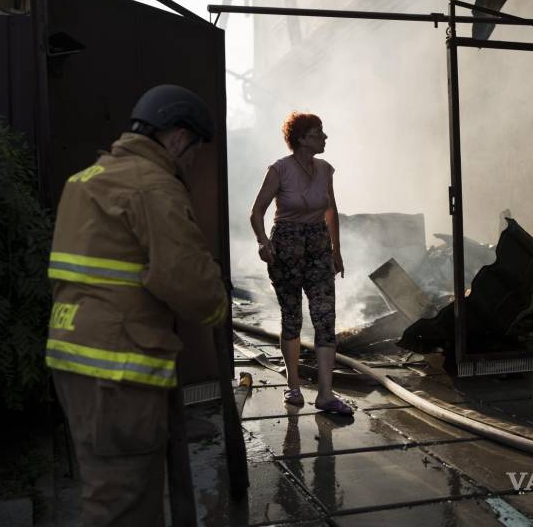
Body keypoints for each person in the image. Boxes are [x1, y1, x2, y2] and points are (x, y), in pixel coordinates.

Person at [46, 84, 228, 527]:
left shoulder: (85, 180)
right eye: (196, 151)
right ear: (180, 137)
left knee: (106, 491)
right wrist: (217, 303)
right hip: (119, 371)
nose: (192, 164)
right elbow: (188, 283)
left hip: (76, 360)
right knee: (124, 506)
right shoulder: (152, 186)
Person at [250, 112, 353, 415]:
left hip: (318, 246)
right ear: (302, 139)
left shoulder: (325, 169)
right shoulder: (279, 170)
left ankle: (325, 394)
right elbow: (256, 212)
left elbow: (331, 210)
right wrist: (262, 242)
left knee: (324, 317)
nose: (324, 138)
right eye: (319, 133)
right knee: (292, 316)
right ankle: (293, 386)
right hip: (287, 247)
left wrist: (336, 249)